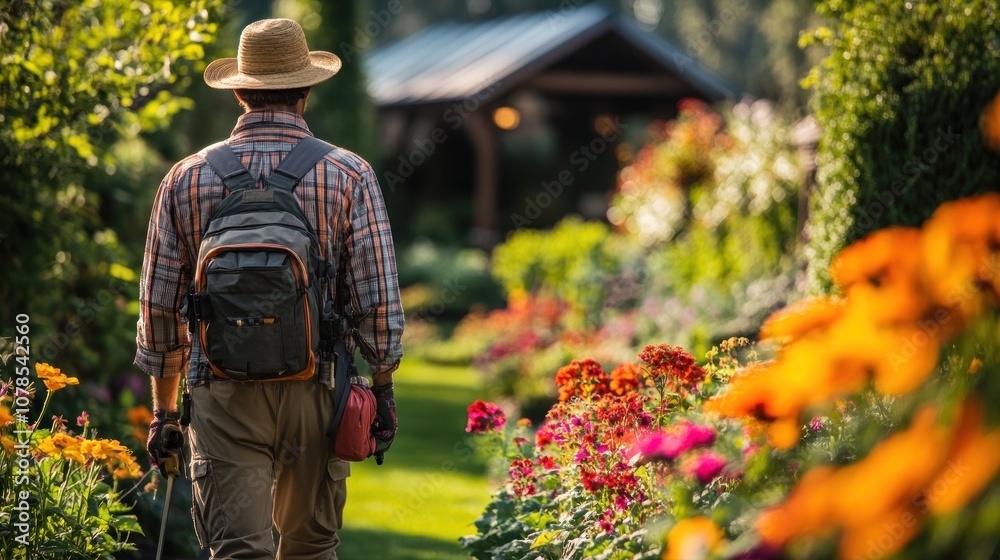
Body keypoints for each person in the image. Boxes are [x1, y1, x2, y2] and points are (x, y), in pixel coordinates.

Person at [135, 18, 404, 559]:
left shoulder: (185, 178)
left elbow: (161, 311)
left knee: (238, 550)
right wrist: (382, 389)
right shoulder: (350, 174)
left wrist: (165, 416)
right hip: (318, 389)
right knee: (309, 546)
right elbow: (378, 303)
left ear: (239, 91)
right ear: (306, 91)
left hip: (221, 390)